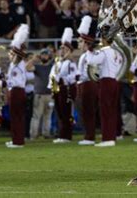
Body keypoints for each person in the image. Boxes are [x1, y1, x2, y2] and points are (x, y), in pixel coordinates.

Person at [86, 36, 123, 147]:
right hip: (115, 80)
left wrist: (89, 51)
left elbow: (91, 62)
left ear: (105, 40)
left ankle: (107, 138)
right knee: (112, 110)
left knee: (105, 111)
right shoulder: (116, 52)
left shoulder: (104, 51)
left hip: (106, 81)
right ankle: (112, 136)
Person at [5, 24, 29, 148]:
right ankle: (16, 139)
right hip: (16, 91)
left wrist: (5, 82)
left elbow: (14, 80)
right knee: (15, 117)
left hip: (17, 91)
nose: (9, 54)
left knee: (16, 117)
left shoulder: (17, 64)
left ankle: (18, 141)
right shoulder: (16, 65)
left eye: (11, 53)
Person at [51, 28, 77, 144]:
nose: (62, 51)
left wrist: (63, 79)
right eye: (61, 49)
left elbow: (75, 76)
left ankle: (66, 135)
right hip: (58, 88)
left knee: (66, 112)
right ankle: (62, 134)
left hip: (66, 88)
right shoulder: (58, 62)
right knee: (60, 112)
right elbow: (53, 75)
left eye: (64, 49)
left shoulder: (70, 63)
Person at [76, 16, 99, 146]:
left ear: (86, 43)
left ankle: (90, 137)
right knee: (85, 112)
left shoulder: (90, 55)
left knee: (88, 111)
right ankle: (88, 135)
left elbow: (90, 71)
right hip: (84, 84)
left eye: (80, 42)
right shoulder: (84, 55)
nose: (78, 44)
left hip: (88, 84)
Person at [29, 48, 54, 140]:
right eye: (43, 55)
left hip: (49, 94)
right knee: (37, 116)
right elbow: (27, 68)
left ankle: (46, 133)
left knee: (48, 116)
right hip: (39, 94)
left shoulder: (52, 66)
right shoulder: (38, 66)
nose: (44, 56)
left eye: (46, 55)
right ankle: (34, 134)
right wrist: (33, 59)